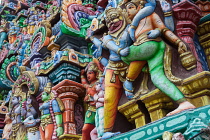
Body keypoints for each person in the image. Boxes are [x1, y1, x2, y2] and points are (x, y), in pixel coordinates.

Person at [120, 0, 196, 116]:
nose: (127, 11)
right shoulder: (133, 26)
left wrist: (177, 42)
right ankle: (183, 102)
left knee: (123, 54)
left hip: (150, 45)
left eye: (130, 7)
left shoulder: (150, 15)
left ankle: (131, 78)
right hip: (154, 49)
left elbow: (164, 29)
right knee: (157, 77)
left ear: (140, 7)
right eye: (126, 9)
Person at [81, 60, 102, 140]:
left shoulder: (99, 84)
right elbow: (84, 84)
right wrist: (82, 75)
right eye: (87, 74)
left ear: (96, 74)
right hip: (90, 110)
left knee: (92, 130)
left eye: (90, 73)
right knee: (85, 130)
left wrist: (92, 97)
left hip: (97, 109)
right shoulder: (90, 86)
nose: (88, 76)